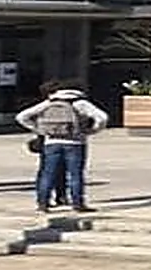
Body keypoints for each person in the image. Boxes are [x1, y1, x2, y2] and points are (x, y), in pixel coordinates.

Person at [15, 81, 109, 213]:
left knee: (47, 174)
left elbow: (22, 116)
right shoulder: (80, 103)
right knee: (75, 174)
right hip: (75, 142)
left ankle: (43, 203)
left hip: (51, 142)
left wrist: (39, 129)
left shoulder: (50, 102)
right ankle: (78, 203)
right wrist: (92, 130)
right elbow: (102, 117)